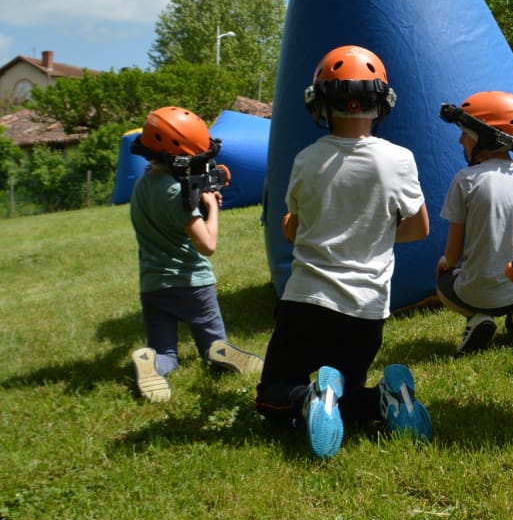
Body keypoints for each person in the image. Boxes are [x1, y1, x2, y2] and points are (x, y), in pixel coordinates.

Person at [254, 45, 432, 459]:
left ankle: (309, 398)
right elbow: (419, 228)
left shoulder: (306, 160)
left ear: (321, 104)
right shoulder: (399, 160)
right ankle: (384, 400)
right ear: (382, 103)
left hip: (307, 301)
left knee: (273, 394)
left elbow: (294, 228)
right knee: (346, 394)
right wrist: (376, 237)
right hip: (366, 310)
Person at [129, 106, 263, 403]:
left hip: (153, 287)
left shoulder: (141, 187)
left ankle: (151, 361)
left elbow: (167, 224)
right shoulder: (177, 193)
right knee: (213, 347)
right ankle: (221, 351)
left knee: (167, 354)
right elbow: (207, 245)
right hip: (193, 285)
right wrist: (212, 207)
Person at [436, 90, 513, 355]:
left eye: (465, 133)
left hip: (478, 294)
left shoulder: (465, 181)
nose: (460, 140)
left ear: (484, 137)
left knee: (444, 282)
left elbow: (452, 256)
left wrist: (445, 264)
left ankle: (478, 319)